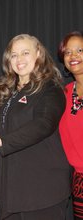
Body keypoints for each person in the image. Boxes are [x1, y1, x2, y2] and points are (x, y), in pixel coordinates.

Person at [0, 34, 72, 220]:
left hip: (43, 191)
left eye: (25, 53)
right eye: (14, 55)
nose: (19, 59)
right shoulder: (7, 92)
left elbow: (44, 124)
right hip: (11, 193)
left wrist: (1, 141)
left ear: (38, 54)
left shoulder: (51, 89)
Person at [58, 31, 83, 220]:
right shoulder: (63, 94)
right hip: (79, 181)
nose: (73, 56)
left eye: (80, 50)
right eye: (68, 52)